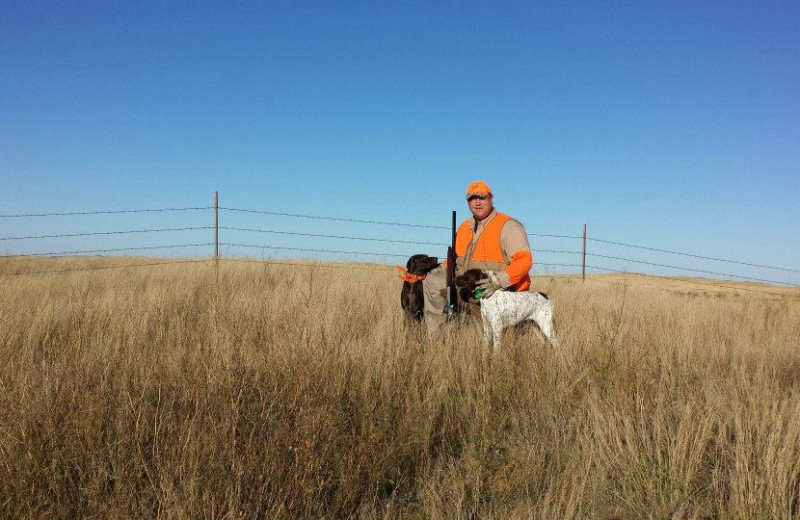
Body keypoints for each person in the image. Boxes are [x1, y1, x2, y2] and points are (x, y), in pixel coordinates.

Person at [422, 180, 533, 325]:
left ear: (491, 199)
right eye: (472, 199)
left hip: (498, 289)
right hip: (468, 284)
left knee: (480, 333)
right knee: (432, 280)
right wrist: (433, 271)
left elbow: (524, 261)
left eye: (482, 197)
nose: (477, 202)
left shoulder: (509, 226)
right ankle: (435, 338)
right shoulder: (464, 227)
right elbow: (455, 260)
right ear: (468, 202)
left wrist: (500, 279)